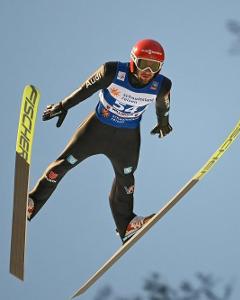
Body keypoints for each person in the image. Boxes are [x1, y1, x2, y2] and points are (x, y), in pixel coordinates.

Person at [27, 39, 172, 243]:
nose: (148, 71)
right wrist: (63, 105)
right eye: (143, 64)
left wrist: (163, 123)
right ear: (132, 62)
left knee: (127, 179)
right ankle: (32, 201)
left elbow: (163, 105)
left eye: (155, 66)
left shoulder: (162, 84)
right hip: (96, 131)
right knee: (61, 166)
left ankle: (126, 225)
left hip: (126, 138)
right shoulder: (112, 71)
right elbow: (85, 89)